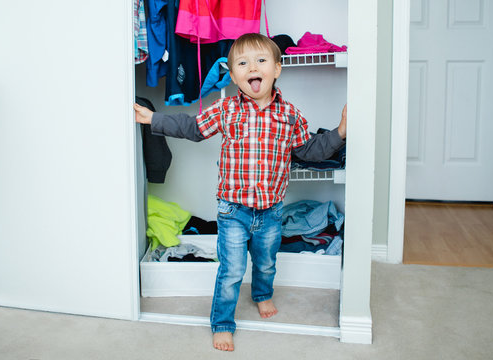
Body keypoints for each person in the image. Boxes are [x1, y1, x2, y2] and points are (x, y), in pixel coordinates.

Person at [134, 32, 347, 352]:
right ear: (233, 75)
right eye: (242, 64)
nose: (252, 68)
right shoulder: (227, 109)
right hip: (233, 210)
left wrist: (341, 131)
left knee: (266, 262)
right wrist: (154, 119)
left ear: (276, 69)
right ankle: (222, 322)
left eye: (261, 61)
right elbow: (192, 129)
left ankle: (262, 294)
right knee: (232, 268)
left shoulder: (290, 115)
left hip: (272, 210)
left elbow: (310, 150)